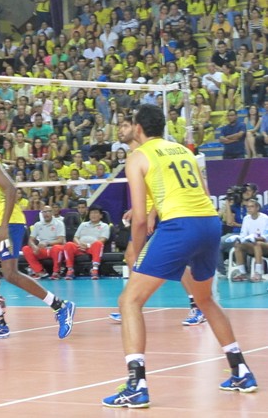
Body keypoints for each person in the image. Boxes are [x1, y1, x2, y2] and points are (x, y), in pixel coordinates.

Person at [103, 104, 257, 409]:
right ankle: (240, 370)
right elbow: (197, 191)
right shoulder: (182, 151)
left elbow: (138, 220)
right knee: (205, 300)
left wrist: (134, 249)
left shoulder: (138, 157)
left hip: (180, 226)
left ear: (138, 128)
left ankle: (136, 385)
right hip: (209, 223)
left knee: (129, 301)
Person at [0, 126, 75, 340]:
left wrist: (3, 227)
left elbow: (10, 189)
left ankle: (61, 306)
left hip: (9, 222)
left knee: (9, 273)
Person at [108, 117, 207, 327]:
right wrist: (137, 208)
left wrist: (151, 214)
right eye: (118, 127)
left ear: (137, 128)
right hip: (149, 214)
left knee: (176, 263)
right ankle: (132, 305)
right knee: (132, 256)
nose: (120, 130)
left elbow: (166, 187)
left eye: (125, 126)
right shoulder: (134, 155)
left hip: (163, 215)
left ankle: (196, 306)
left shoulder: (148, 151)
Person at [63, 205, 110, 280]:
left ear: (101, 215)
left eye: (95, 213)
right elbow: (75, 237)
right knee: (68, 244)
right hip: (79, 247)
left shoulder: (105, 226)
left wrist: (88, 245)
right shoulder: (83, 224)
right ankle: (70, 270)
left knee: (98, 244)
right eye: (91, 213)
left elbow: (103, 239)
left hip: (92, 248)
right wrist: (79, 244)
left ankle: (95, 270)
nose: (93, 215)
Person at [228, 198, 268, 282]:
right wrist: (239, 238)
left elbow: (266, 236)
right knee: (238, 245)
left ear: (257, 208)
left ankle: (258, 272)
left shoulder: (265, 218)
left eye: (252, 206)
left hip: (265, 245)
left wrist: (255, 238)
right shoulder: (246, 218)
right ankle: (242, 273)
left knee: (257, 243)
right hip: (253, 245)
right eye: (247, 207)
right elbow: (243, 235)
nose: (249, 208)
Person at [21, 206, 66, 279]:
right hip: (42, 249)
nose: (46, 214)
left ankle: (56, 272)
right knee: (26, 249)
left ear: (52, 213)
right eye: (44, 212)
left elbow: (60, 240)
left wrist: (47, 243)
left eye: (48, 211)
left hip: (54, 248)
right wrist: (34, 246)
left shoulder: (59, 223)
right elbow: (30, 240)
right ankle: (39, 271)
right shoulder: (37, 225)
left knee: (57, 248)